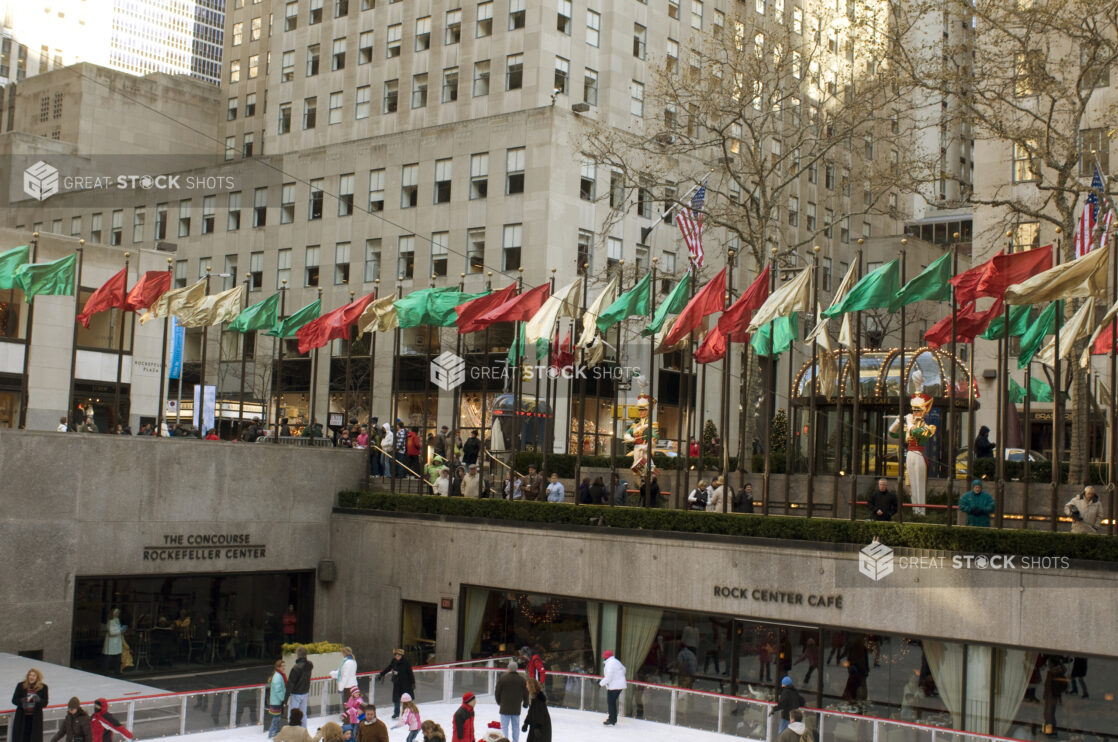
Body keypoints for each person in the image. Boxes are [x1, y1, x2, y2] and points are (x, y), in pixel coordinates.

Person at [889, 393, 936, 516]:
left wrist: (909, 422)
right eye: (914, 411)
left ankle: (922, 512)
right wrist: (897, 422)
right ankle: (915, 512)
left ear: (924, 411)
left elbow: (915, 433)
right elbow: (892, 434)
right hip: (910, 454)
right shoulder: (909, 425)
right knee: (912, 486)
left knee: (920, 486)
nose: (915, 413)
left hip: (919, 455)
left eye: (918, 411)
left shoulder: (929, 427)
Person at [495, 659, 529, 742]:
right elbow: (526, 693)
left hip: (504, 708)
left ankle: (505, 741)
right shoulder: (522, 680)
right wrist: (526, 703)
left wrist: (499, 701)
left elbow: (497, 692)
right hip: (516, 708)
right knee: (516, 727)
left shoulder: (503, 679)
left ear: (509, 669)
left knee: (504, 727)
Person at [377, 648, 416, 719]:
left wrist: (412, 683)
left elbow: (410, 673)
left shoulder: (406, 662)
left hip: (405, 684)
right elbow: (389, 667)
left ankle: (407, 713)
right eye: (396, 655)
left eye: (398, 655)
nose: (397, 657)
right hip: (397, 683)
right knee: (396, 699)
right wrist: (382, 674)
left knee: (406, 699)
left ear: (401, 656)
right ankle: (396, 713)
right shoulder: (394, 661)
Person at [11, 668, 48, 742]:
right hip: (22, 717)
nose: (31, 677)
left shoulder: (43, 687)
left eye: (34, 675)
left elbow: (45, 703)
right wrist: (24, 700)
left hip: (35, 719)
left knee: (33, 738)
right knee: (21, 737)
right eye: (30, 675)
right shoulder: (21, 685)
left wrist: (37, 699)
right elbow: (14, 700)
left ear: (38, 677)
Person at [286, 646, 313, 727]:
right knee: (303, 714)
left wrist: (285, 698)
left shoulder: (296, 668)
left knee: (292, 714)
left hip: (296, 693)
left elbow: (291, 683)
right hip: (305, 692)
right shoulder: (309, 665)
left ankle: (292, 731)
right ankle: (303, 731)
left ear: (298, 655)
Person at [599, 650, 627, 726]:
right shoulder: (616, 661)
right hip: (618, 685)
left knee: (611, 702)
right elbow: (624, 669)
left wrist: (600, 684)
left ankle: (612, 720)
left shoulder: (610, 664)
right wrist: (619, 677)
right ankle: (613, 719)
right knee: (612, 702)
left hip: (614, 686)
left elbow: (608, 677)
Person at [522, 677, 551, 742]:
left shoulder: (539, 699)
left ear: (531, 686)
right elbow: (531, 712)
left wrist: (537, 726)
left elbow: (541, 713)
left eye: (527, 685)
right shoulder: (534, 698)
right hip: (535, 727)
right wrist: (526, 723)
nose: (526, 687)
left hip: (541, 728)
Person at [266, 658, 289, 738]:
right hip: (276, 702)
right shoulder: (278, 677)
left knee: (277, 719)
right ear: (278, 667)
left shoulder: (280, 675)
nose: (284, 667)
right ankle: (271, 734)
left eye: (284, 666)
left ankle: (277, 733)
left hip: (277, 701)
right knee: (276, 719)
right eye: (282, 666)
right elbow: (278, 690)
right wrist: (284, 699)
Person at [102, 608, 125, 675]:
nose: (118, 614)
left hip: (117, 641)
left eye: (118, 612)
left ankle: (117, 671)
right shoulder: (110, 621)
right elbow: (111, 632)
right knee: (108, 657)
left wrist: (122, 630)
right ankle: (105, 671)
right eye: (116, 612)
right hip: (111, 642)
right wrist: (120, 631)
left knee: (118, 657)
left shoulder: (117, 620)